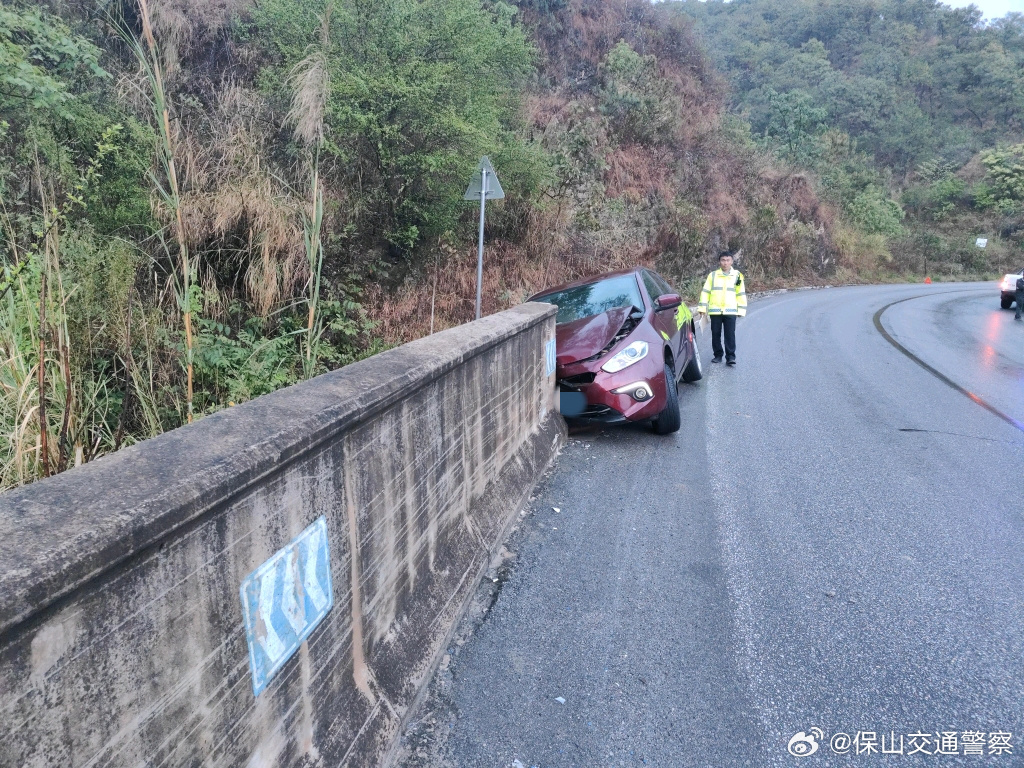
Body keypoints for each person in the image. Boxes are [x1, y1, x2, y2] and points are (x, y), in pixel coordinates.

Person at [696, 250, 747, 365]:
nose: (725, 263)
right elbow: (705, 292)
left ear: (732, 261)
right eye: (723, 260)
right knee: (715, 334)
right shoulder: (713, 275)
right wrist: (702, 308)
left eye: (728, 260)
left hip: (730, 310)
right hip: (715, 311)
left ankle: (730, 357)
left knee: (730, 334)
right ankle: (718, 355)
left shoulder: (737, 276)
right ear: (719, 262)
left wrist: (741, 310)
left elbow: (740, 293)